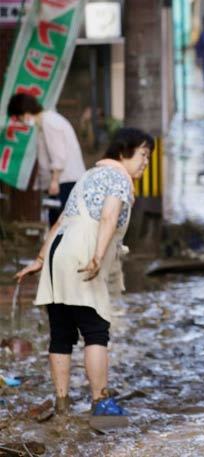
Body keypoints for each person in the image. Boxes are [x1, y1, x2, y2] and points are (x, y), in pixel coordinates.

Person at [15, 128, 153, 420]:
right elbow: (108, 216)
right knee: (95, 332)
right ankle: (100, 401)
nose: (145, 162)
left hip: (58, 253)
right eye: (143, 154)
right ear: (123, 151)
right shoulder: (118, 178)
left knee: (61, 334)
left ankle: (62, 404)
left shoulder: (88, 175)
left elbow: (62, 220)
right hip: (83, 253)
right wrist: (98, 257)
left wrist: (40, 259)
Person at [7, 93, 86, 226]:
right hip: (64, 181)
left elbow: (58, 154)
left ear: (25, 113)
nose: (21, 122)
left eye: (19, 118)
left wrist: (54, 181)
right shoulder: (46, 122)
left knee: (59, 227)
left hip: (65, 182)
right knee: (59, 225)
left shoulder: (49, 122)